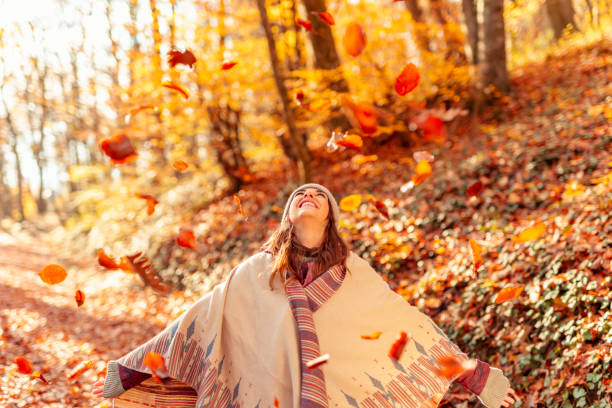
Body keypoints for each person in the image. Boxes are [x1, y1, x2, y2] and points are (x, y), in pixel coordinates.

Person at [93, 183, 521, 408]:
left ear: (330, 216)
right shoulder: (256, 271)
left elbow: (408, 327)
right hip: (263, 386)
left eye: (318, 195)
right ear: (288, 216)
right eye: (299, 195)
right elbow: (202, 319)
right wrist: (132, 368)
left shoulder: (355, 274)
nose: (308, 196)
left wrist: (477, 376)